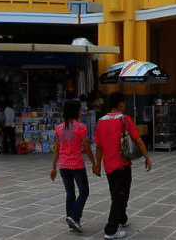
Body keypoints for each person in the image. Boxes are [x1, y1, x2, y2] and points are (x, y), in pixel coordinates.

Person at [94, 92, 152, 240]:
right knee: (120, 197)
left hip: (108, 167)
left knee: (117, 194)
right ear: (120, 104)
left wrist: (97, 165)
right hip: (122, 165)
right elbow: (137, 140)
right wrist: (147, 157)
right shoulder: (124, 119)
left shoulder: (100, 122)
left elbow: (99, 147)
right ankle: (110, 230)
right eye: (124, 103)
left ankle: (122, 218)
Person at [50, 100, 99, 233]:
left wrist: (53, 166)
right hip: (77, 165)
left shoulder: (59, 128)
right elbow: (87, 148)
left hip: (63, 166)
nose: (81, 112)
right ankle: (74, 217)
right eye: (79, 110)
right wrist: (94, 164)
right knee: (84, 192)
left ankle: (71, 219)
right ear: (76, 111)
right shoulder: (81, 127)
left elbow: (56, 149)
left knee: (70, 194)